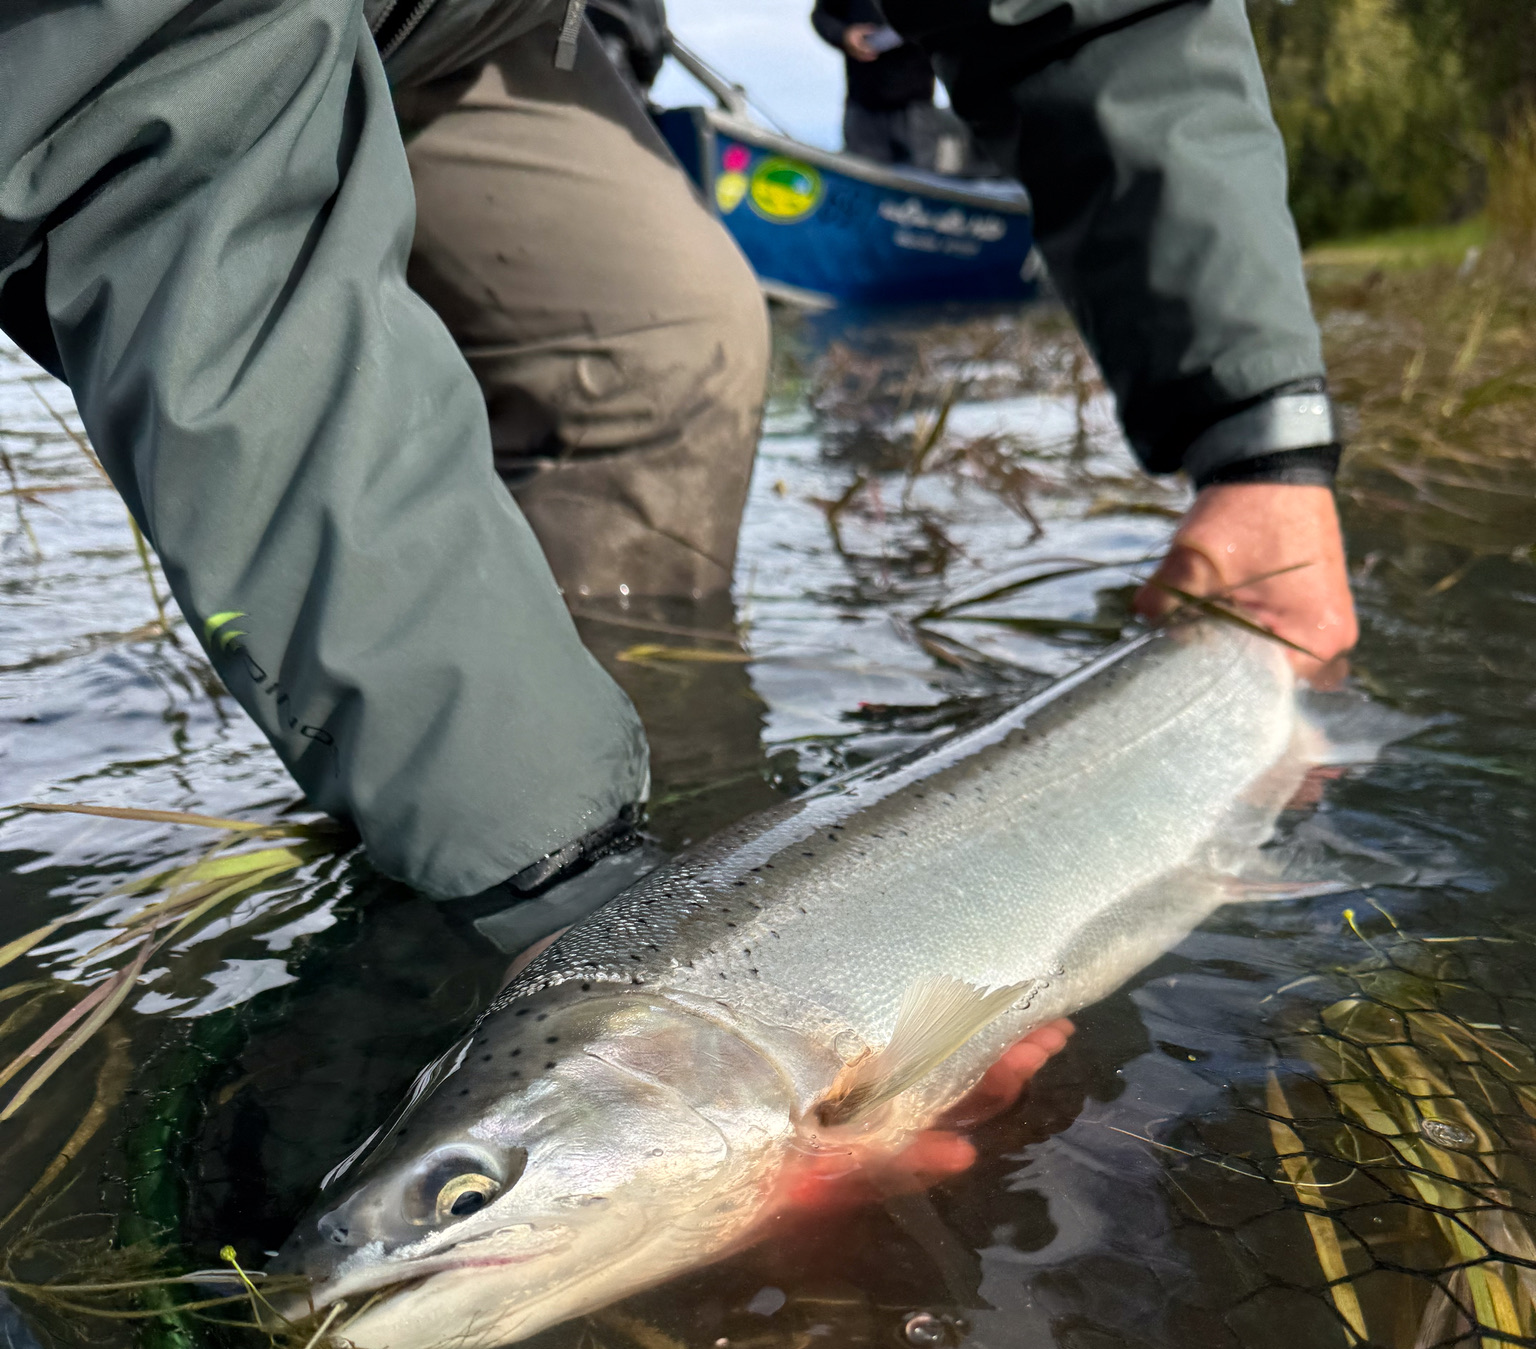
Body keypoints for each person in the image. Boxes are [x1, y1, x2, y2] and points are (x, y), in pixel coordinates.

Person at [0, 0, 1356, 948]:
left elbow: (1093, 12)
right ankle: (504, 882)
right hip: (123, 55)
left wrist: (1261, 439)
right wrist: (548, 887)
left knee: (669, 337)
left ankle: (616, 811)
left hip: (477, 29)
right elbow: (150, 141)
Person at [811, 1, 943, 170]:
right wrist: (844, 34)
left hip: (917, 108)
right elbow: (821, 15)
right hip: (863, 105)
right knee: (859, 181)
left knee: (921, 184)